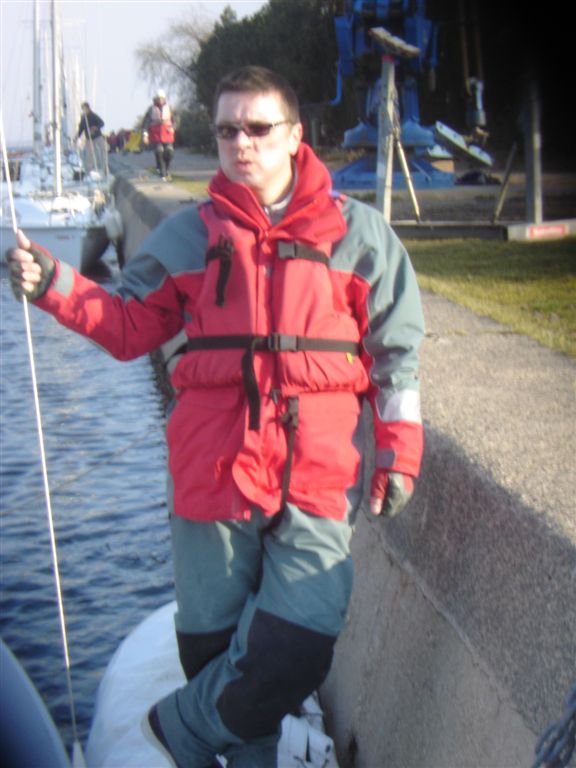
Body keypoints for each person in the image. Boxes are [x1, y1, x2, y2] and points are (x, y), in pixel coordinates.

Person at [7, 66, 424, 768]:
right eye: (228, 129)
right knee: (214, 654)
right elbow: (127, 326)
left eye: (258, 128)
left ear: (295, 135)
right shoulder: (187, 237)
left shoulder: (360, 237)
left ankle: (178, 729)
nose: (240, 143)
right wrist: (55, 283)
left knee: (298, 643)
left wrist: (399, 453)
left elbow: (397, 357)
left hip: (316, 480)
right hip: (211, 479)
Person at [142, 88, 175, 180]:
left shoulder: (169, 108)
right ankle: (162, 173)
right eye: (158, 98)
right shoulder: (151, 109)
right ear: (156, 99)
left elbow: (174, 120)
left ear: (164, 98)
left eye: (162, 98)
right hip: (156, 134)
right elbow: (146, 122)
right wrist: (145, 135)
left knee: (169, 151)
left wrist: (173, 127)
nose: (160, 100)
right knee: (159, 151)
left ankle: (166, 169)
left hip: (167, 133)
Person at [75, 102, 107, 173]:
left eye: (85, 108)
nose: (84, 110)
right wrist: (77, 137)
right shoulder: (83, 118)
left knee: (104, 149)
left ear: (88, 108)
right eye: (83, 109)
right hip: (89, 138)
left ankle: (105, 167)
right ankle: (90, 170)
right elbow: (81, 129)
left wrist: (96, 127)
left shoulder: (93, 116)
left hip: (97, 136)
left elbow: (102, 123)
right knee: (89, 154)